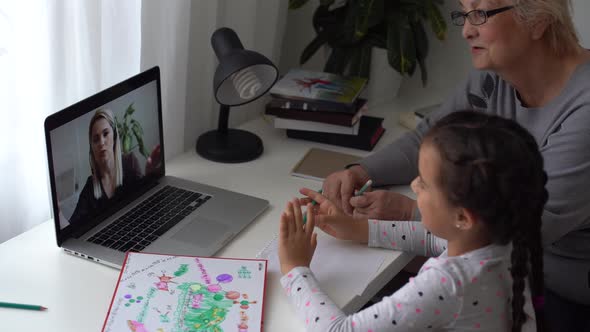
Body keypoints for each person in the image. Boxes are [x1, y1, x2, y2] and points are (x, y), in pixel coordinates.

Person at [322, 0, 590, 327]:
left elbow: (531, 224)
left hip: (559, 295)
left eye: (480, 13)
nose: (466, 30)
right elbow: (430, 138)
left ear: (538, 20)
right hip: (499, 267)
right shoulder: (494, 75)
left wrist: (410, 212)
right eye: (463, 14)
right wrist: (362, 171)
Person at [279, 111, 546, 331]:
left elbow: (339, 330)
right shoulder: (503, 238)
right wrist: (358, 229)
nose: (413, 185)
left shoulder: (447, 284)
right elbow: (433, 238)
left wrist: (294, 269)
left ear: (463, 217)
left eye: (424, 183)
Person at [68, 108, 161, 226]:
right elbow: (71, 227)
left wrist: (150, 175)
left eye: (105, 134)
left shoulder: (129, 163)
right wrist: (59, 214)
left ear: (115, 136)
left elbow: (146, 204)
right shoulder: (90, 187)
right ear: (92, 148)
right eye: (96, 139)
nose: (101, 142)